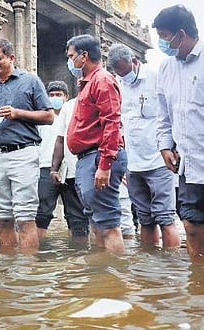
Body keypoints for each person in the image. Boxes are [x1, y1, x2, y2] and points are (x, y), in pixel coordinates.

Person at [153, 5, 204, 259]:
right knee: (192, 229)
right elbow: (163, 116)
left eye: (164, 36)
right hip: (187, 165)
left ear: (181, 34)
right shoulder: (166, 69)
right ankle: (202, 291)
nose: (162, 43)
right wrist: (164, 146)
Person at [0, 38, 54, 250]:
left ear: (11, 58)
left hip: (23, 153)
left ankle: (27, 275)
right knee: (2, 216)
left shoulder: (30, 81)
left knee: (25, 217)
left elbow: (49, 117)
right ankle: (7, 272)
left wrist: (17, 113)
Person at [108, 43, 180, 249]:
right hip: (133, 164)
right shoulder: (117, 85)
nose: (124, 77)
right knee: (145, 219)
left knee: (166, 217)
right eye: (119, 73)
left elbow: (171, 115)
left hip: (158, 161)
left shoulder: (156, 79)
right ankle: (149, 268)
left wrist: (173, 148)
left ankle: (172, 267)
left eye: (126, 71)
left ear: (135, 62)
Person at [64, 34, 127, 255]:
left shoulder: (102, 80)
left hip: (99, 157)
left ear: (84, 56)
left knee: (107, 223)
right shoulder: (89, 82)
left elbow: (112, 122)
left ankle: (117, 278)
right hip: (88, 158)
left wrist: (105, 165)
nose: (70, 61)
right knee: (97, 221)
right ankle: (105, 277)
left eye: (71, 56)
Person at [37, 81, 88, 241]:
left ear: (66, 97)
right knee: (42, 213)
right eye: (51, 95)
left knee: (77, 215)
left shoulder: (74, 115)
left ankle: (78, 254)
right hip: (45, 167)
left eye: (58, 95)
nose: (54, 98)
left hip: (71, 168)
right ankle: (39, 255)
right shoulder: (41, 118)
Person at [50, 96, 90, 242]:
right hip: (72, 171)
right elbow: (60, 140)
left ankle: (105, 257)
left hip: (98, 170)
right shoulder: (68, 106)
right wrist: (54, 169)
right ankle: (80, 257)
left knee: (103, 217)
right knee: (76, 219)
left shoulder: (103, 99)